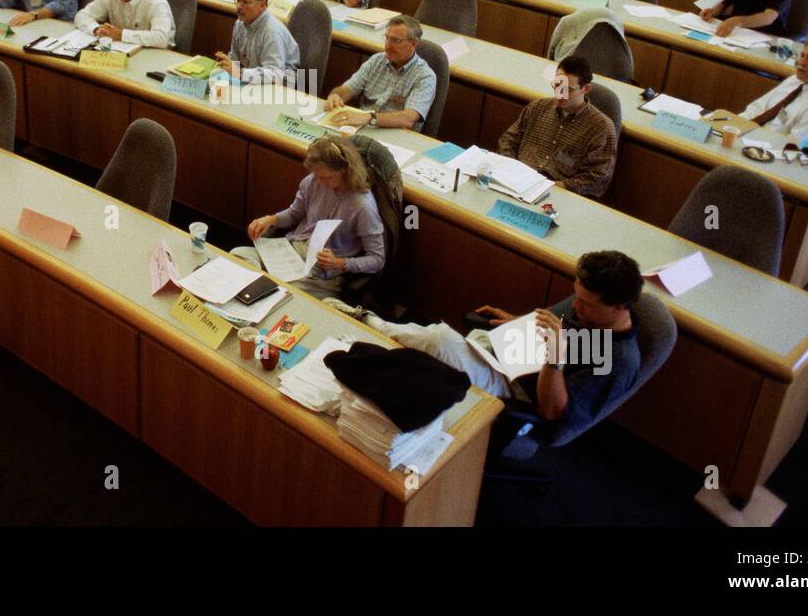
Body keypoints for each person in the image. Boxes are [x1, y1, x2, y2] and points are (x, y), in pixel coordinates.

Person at [325, 250, 643, 433]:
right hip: (514, 356)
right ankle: (369, 328)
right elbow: (556, 328)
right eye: (577, 296)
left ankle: (367, 324)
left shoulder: (616, 361)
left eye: (586, 303)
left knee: (437, 341)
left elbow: (551, 412)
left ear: (619, 307)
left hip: (519, 391)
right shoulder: (593, 315)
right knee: (435, 343)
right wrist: (515, 323)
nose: (575, 307)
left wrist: (554, 358)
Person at [236, 137, 385, 297]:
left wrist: (340, 263)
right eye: (316, 175)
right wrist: (271, 219)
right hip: (293, 251)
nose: (320, 182)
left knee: (277, 291)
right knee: (238, 256)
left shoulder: (362, 206)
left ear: (345, 170)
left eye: (326, 178)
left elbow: (377, 259)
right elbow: (294, 214)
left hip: (322, 271)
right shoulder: (313, 181)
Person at [497, 55, 617, 198]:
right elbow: (508, 141)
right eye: (557, 85)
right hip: (515, 183)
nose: (559, 94)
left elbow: (598, 177)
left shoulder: (601, 128)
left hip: (557, 194)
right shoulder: (537, 107)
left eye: (568, 89)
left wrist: (559, 187)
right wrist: (510, 168)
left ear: (586, 88)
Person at [719, 33, 808, 143]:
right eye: (802, 55)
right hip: (745, 136)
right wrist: (733, 127)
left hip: (764, 154)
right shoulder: (795, 80)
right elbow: (757, 107)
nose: (801, 62)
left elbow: (789, 148)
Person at [322, 15, 437, 131]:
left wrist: (369, 118)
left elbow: (408, 119)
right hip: (363, 127)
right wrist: (336, 96)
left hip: (395, 134)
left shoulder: (425, 76)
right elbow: (348, 89)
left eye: (396, 41)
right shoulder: (376, 60)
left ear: (413, 44)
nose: (387, 46)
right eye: (387, 38)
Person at [213, 0, 300, 84]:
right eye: (238, 1)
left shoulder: (271, 32)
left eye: (245, 2)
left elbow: (275, 75)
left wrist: (239, 72)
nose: (239, 6)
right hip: (253, 79)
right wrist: (226, 63)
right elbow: (235, 60)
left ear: (262, 5)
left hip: (282, 86)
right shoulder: (240, 23)